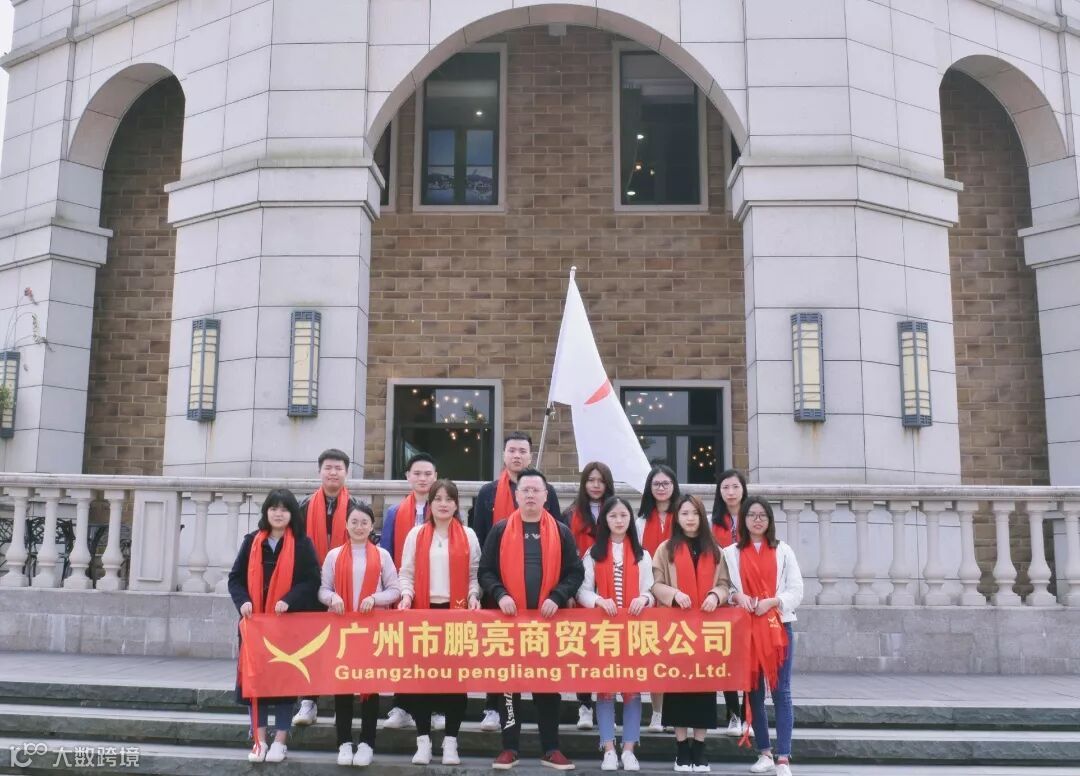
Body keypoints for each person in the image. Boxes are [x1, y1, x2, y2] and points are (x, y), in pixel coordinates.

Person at [478, 467, 583, 770]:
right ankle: (509, 747)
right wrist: (500, 594)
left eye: (536, 490)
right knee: (509, 686)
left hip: (548, 623)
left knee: (547, 688)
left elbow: (575, 572)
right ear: (516, 495)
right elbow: (485, 571)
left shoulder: (561, 531)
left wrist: (557, 596)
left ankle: (551, 748)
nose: (531, 495)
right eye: (525, 490)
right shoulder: (500, 530)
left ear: (546, 496)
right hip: (510, 622)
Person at [470, 432, 561, 731]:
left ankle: (543, 718)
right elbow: (480, 535)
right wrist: (493, 584)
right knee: (500, 651)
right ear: (504, 454)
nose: (517, 455)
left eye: (523, 450)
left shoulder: (546, 491)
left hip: (541, 592)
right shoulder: (487, 493)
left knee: (540, 652)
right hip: (499, 584)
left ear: (530, 456)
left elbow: (557, 534)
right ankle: (493, 707)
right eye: (512, 450)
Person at [228, 489, 320, 763]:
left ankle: (280, 740)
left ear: (292, 514)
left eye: (284, 509)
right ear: (266, 512)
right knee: (255, 681)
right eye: (273, 508)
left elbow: (311, 581)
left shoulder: (302, 544)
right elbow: (235, 579)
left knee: (283, 682)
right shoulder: (252, 541)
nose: (278, 514)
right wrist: (243, 601)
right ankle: (259, 740)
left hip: (285, 625)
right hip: (255, 625)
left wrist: (289, 600)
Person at [397, 479, 482, 765]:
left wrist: (473, 595)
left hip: (456, 613)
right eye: (438, 499)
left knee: (455, 681)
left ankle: (450, 743)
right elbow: (406, 572)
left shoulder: (468, 535)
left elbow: (474, 574)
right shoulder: (416, 534)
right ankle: (423, 741)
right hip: (423, 612)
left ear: (457, 504)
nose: (443, 504)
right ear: (430, 504)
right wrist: (406, 596)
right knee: (423, 680)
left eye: (449, 499)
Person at [651, 494, 731, 773]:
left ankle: (699, 747)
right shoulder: (666, 549)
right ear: (677, 517)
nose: (690, 518)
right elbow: (655, 584)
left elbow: (725, 584)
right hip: (678, 630)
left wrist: (715, 595)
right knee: (678, 690)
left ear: (701, 516)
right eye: (684, 513)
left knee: (704, 689)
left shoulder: (715, 549)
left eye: (694, 513)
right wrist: (674, 594)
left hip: (706, 629)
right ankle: (681, 748)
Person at [724, 497, 804, 776]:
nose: (757, 520)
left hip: (778, 626)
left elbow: (796, 589)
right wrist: (737, 596)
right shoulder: (730, 553)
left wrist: (773, 602)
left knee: (781, 691)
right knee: (754, 692)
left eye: (762, 515)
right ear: (743, 520)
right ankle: (764, 752)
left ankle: (783, 757)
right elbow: (725, 587)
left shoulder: (783, 550)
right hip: (747, 629)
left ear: (769, 520)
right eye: (752, 515)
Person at [319, 502, 401, 767]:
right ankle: (344, 742)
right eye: (354, 522)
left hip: (372, 631)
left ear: (371, 526)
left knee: (370, 688)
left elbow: (395, 589)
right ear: (346, 524)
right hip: (342, 630)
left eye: (364, 522)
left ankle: (367, 743)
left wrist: (375, 598)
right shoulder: (333, 556)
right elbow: (323, 589)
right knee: (342, 686)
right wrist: (332, 598)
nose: (359, 527)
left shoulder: (382, 555)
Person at [576, 496, 654, 771]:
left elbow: (650, 590)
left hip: (634, 631)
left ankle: (629, 749)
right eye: (613, 516)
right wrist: (599, 600)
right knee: (605, 690)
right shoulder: (593, 554)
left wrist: (644, 599)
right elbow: (582, 590)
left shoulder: (643, 555)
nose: (619, 520)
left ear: (630, 519)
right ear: (604, 520)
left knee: (632, 691)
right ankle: (608, 748)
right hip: (604, 632)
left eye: (623, 515)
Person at [294, 448, 361, 727]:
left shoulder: (356, 505)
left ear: (346, 472)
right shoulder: (304, 506)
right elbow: (295, 544)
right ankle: (308, 701)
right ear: (320, 471)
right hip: (312, 583)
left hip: (346, 584)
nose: (333, 473)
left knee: (344, 645)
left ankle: (341, 703)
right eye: (328, 468)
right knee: (311, 643)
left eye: (338, 468)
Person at [379, 451, 439, 731]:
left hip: (436, 589)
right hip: (403, 589)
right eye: (417, 473)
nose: (422, 478)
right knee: (404, 651)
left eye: (428, 474)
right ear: (407, 477)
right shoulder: (394, 512)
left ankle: (435, 708)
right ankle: (401, 706)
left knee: (434, 651)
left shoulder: (445, 507)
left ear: (436, 477)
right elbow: (387, 554)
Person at [563, 461, 615, 731]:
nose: (596, 485)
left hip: (611, 587)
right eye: (591, 480)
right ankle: (584, 705)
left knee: (608, 649)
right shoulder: (570, 515)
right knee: (583, 650)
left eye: (601, 481)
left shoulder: (617, 511)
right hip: (580, 587)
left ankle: (606, 704)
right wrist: (568, 591)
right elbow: (562, 554)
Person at [634, 464, 680, 731]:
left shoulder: (684, 516)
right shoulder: (640, 522)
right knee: (654, 657)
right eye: (656, 484)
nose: (661, 488)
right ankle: (657, 713)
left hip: (680, 595)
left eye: (666, 483)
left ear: (674, 487)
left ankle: (677, 713)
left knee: (678, 655)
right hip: (650, 596)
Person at [711, 468, 749, 737]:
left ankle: (749, 714)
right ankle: (733, 714)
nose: (731, 492)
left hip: (750, 596)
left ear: (743, 489)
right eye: (725, 487)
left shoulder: (754, 517)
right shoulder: (712, 523)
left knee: (748, 659)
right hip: (724, 595)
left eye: (735, 487)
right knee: (726, 657)